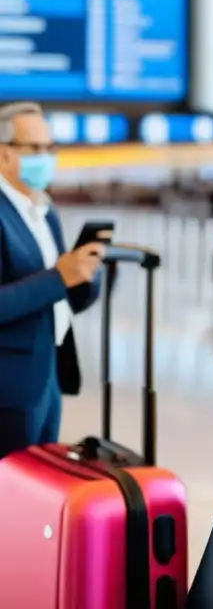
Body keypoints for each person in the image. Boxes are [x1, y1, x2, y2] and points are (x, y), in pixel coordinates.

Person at [0, 102, 104, 459]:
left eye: (50, 148)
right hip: (9, 387)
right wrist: (59, 276)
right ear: (4, 155)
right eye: (36, 149)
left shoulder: (44, 210)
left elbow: (66, 297)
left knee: (38, 490)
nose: (46, 157)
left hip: (48, 377)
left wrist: (87, 274)